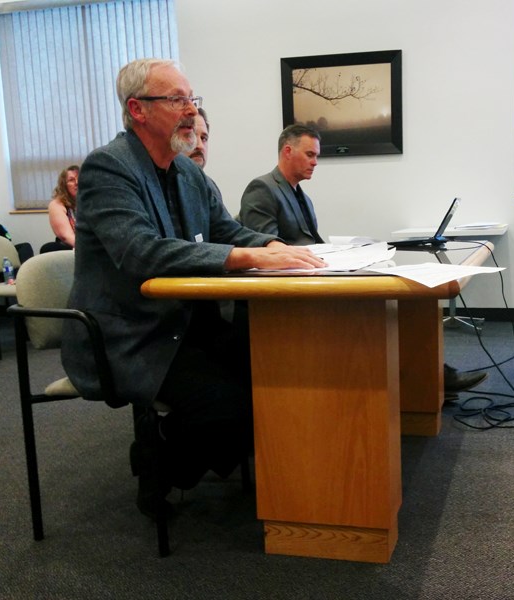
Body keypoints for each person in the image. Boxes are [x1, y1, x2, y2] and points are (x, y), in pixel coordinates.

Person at [61, 58, 326, 518]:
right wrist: (247, 256)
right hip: (130, 334)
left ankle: (186, 451)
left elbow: (230, 230)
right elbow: (141, 253)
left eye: (192, 99)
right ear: (138, 110)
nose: (190, 110)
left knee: (281, 373)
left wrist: (276, 246)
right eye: (177, 99)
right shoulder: (107, 169)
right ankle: (159, 458)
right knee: (235, 408)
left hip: (185, 324)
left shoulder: (188, 172)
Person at [239, 124, 487, 394]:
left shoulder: (302, 197)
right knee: (382, 306)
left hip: (315, 277)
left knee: (402, 298)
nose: (315, 162)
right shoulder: (262, 188)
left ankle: (429, 380)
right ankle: (431, 379)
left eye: (317, 156)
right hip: (291, 294)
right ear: (287, 151)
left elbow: (313, 245)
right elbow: (265, 250)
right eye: (310, 155)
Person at [47, 165, 79, 249]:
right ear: (64, 185)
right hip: (71, 247)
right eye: (71, 180)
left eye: (80, 179)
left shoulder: (91, 202)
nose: (77, 182)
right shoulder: (57, 204)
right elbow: (66, 236)